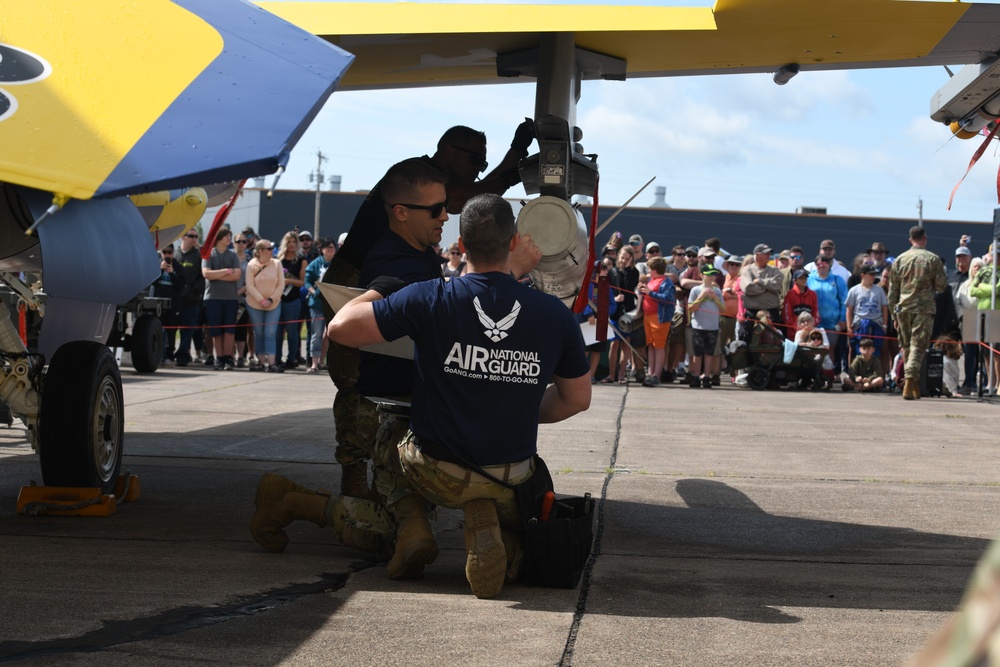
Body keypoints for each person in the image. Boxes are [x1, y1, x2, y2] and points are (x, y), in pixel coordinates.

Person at [320, 122, 535, 502]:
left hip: (390, 275)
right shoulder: (417, 179)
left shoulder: (427, 197)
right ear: (449, 151)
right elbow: (470, 197)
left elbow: (475, 191)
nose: (479, 169)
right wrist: (514, 164)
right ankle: (353, 480)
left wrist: (513, 164)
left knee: (393, 377)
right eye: (475, 159)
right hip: (359, 283)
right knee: (358, 384)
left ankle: (381, 482)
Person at [888, 226, 948, 400]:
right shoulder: (932, 259)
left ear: (910, 240)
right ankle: (909, 379)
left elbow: (892, 292)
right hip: (923, 309)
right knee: (918, 346)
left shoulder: (900, 259)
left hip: (903, 308)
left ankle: (913, 384)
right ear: (925, 238)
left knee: (907, 347)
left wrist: (893, 314)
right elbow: (941, 286)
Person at [201, 227, 242, 371]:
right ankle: (219, 357)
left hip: (230, 298)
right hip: (213, 298)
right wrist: (226, 271)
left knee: (229, 330)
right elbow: (206, 274)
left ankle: (228, 358)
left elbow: (237, 275)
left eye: (229, 236)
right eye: (226, 236)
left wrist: (216, 274)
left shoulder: (233, 256)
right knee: (216, 331)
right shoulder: (208, 255)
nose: (228, 238)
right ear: (218, 237)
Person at [244, 239, 285, 372]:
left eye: (272, 248)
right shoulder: (251, 265)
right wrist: (261, 300)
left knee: (270, 333)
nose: (272, 250)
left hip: (274, 304)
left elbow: (281, 284)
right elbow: (249, 285)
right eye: (268, 248)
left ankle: (272, 363)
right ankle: (261, 362)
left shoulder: (277, 263)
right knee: (259, 333)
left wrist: (272, 299)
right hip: (254, 304)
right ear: (260, 251)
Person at [636, 256, 674, 387]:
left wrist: (650, 293)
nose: (648, 270)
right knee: (651, 346)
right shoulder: (652, 280)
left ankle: (657, 375)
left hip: (659, 318)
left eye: (649, 268)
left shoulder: (666, 282)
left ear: (655, 269)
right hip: (648, 317)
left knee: (659, 346)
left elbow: (668, 298)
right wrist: (643, 291)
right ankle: (651, 374)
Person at [807, 254, 848, 376]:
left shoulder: (837, 280)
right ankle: (813, 374)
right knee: (813, 348)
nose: (822, 266)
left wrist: (842, 319)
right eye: (819, 264)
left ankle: (828, 374)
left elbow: (844, 301)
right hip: (814, 322)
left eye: (824, 264)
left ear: (829, 265)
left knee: (829, 349)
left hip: (832, 323)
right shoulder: (809, 279)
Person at [687, 266, 724, 388]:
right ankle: (696, 376)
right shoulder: (696, 290)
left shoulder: (717, 291)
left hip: (712, 327)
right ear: (702, 275)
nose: (711, 277)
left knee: (709, 353)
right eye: (709, 274)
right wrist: (702, 296)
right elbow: (691, 309)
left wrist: (715, 298)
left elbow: (723, 310)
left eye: (713, 274)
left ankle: (707, 377)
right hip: (698, 326)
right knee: (697, 353)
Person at [304, 237, 337, 373]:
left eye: (332, 247)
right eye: (327, 247)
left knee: (331, 333)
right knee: (316, 334)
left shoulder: (339, 264)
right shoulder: (315, 264)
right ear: (321, 249)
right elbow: (307, 282)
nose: (330, 250)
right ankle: (314, 363)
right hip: (317, 304)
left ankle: (325, 360)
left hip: (333, 303)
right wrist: (313, 292)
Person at [174, 229, 205, 367]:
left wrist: (194, 290)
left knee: (188, 329)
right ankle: (168, 353)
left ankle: (183, 355)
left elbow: (202, 277)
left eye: (196, 236)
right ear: (182, 237)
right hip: (176, 298)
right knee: (172, 328)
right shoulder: (175, 254)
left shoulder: (199, 255)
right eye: (191, 236)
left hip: (192, 299)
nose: (194, 239)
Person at [149, 244, 184, 367]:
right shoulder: (155, 264)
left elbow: (181, 285)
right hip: (156, 305)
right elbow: (150, 282)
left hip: (172, 305)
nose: (167, 255)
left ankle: (168, 356)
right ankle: (155, 355)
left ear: (173, 253)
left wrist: (172, 273)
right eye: (165, 252)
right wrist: (159, 270)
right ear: (161, 252)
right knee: (155, 331)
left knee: (171, 332)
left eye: (170, 252)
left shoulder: (178, 266)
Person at [845, 265, 888, 362]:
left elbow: (884, 308)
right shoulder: (854, 290)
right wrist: (849, 327)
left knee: (876, 351)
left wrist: (884, 326)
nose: (873, 277)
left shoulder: (879, 290)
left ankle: (876, 374)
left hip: (876, 325)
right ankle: (853, 373)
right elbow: (849, 309)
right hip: (859, 325)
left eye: (874, 275)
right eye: (871, 274)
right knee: (855, 350)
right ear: (863, 275)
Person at [740, 243, 783, 331]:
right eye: (765, 253)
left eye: (769, 253)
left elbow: (777, 285)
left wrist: (760, 281)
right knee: (747, 340)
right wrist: (767, 288)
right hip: (752, 313)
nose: (769, 255)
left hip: (772, 313)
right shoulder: (747, 270)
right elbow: (748, 288)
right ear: (757, 255)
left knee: (775, 340)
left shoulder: (774, 270)